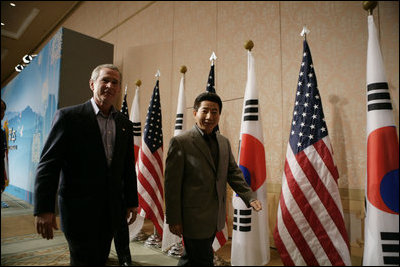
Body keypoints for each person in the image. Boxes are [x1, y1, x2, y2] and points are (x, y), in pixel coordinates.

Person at [33, 64, 138, 266]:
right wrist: (44, 209)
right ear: (92, 84)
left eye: (114, 82)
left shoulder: (124, 123)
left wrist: (131, 201)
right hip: (78, 211)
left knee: (100, 257)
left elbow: (127, 167)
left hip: (110, 211)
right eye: (104, 80)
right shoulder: (68, 118)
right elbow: (48, 165)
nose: (109, 86)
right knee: (83, 260)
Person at [164, 92, 262, 266]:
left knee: (192, 258)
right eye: (205, 111)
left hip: (215, 216)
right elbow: (172, 185)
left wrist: (249, 196)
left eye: (215, 112)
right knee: (202, 259)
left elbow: (233, 173)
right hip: (192, 217)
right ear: (195, 113)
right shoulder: (181, 142)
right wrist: (174, 218)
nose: (209, 116)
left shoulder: (223, 142)